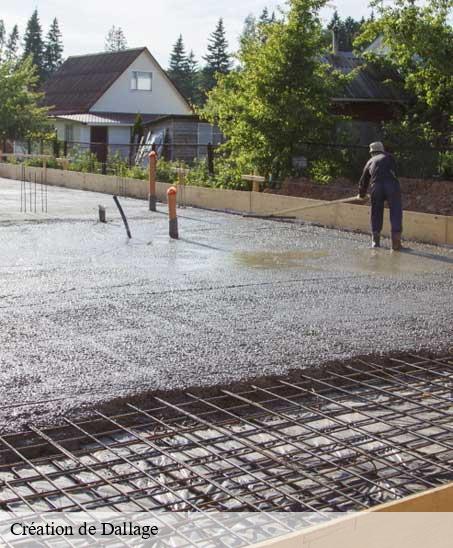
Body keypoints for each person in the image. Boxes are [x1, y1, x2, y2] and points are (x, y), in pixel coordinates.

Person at [357, 141, 403, 251]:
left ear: (372, 153)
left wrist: (362, 194)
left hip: (376, 187)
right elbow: (397, 172)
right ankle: (396, 243)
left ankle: (375, 242)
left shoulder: (370, 161)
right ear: (382, 150)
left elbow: (363, 181)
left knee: (376, 211)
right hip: (391, 186)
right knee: (395, 211)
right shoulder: (390, 157)